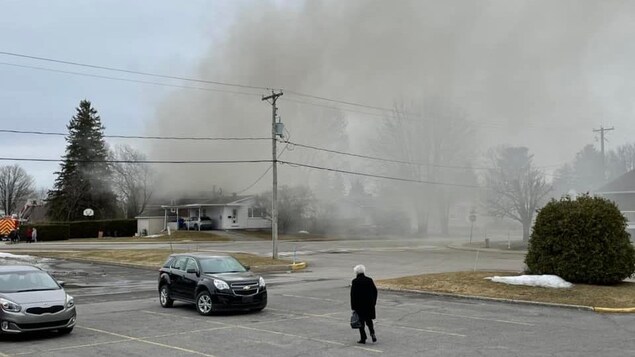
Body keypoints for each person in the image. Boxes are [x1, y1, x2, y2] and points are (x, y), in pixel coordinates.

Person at [350, 264, 378, 344]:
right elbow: (375, 291)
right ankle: (372, 333)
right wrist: (374, 302)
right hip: (369, 304)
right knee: (369, 320)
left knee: (361, 322)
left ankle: (363, 338)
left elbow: (353, 295)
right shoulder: (369, 280)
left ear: (356, 272)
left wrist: (353, 307)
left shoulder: (355, 281)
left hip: (359, 305)